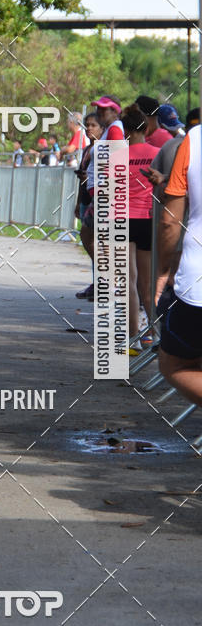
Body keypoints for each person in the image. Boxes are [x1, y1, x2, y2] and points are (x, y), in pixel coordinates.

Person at [155, 117, 202, 408]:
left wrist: (163, 271)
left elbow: (170, 222)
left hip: (197, 283)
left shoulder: (195, 140)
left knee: (174, 365)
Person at [121, 105, 159, 354]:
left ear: (125, 130)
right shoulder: (157, 153)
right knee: (148, 286)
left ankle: (132, 340)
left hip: (122, 220)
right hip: (147, 220)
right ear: (146, 128)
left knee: (128, 283)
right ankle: (158, 337)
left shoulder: (116, 157)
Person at [74, 112, 103, 300]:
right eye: (87, 125)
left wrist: (90, 178)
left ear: (102, 128)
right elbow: (83, 176)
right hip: (86, 199)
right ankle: (97, 282)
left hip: (98, 200)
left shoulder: (104, 149)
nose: (89, 129)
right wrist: (77, 202)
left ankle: (103, 283)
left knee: (98, 244)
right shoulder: (86, 150)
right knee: (90, 243)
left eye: (93, 125)